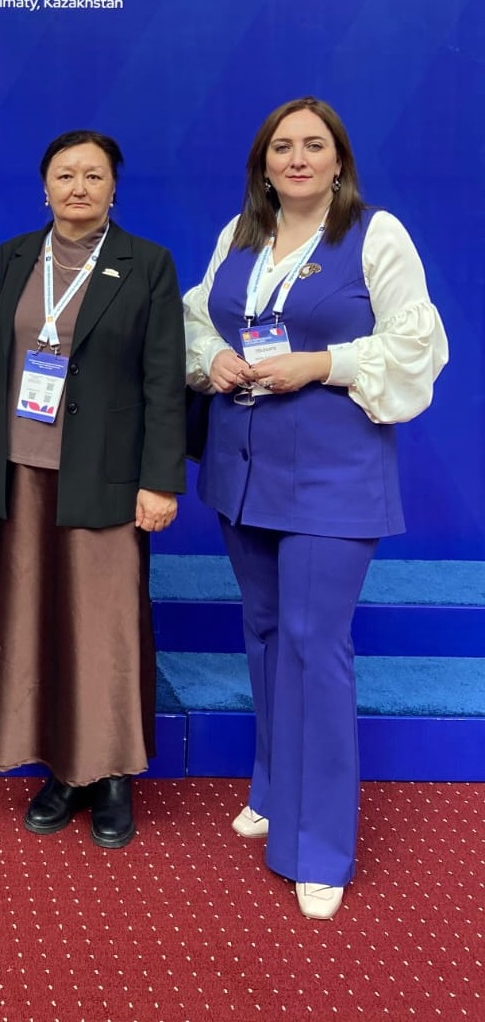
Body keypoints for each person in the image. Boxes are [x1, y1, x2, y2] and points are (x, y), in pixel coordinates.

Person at [183, 96, 448, 919]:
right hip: (241, 469)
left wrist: (321, 362)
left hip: (332, 475)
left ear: (338, 161)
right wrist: (213, 357)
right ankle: (272, 787)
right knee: (263, 631)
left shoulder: (375, 235)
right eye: (281, 147)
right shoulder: (240, 235)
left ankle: (319, 843)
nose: (296, 158)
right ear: (263, 164)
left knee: (312, 641)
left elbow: (416, 343)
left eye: (313, 145)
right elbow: (196, 315)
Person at [0, 130, 185, 849]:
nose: (78, 187)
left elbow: (164, 381)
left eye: (93, 175)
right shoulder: (12, 257)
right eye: (64, 174)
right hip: (23, 472)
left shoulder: (147, 263)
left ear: (113, 188)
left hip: (106, 476)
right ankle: (62, 768)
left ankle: (112, 772)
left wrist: (160, 480)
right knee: (35, 621)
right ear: (44, 188)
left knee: (105, 628)